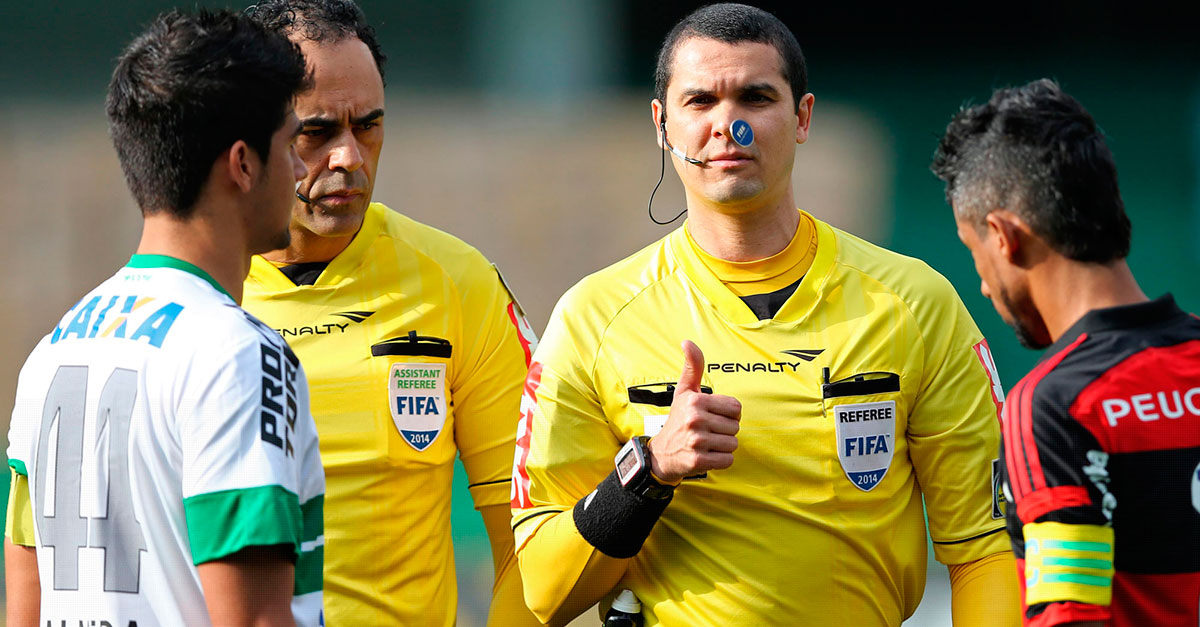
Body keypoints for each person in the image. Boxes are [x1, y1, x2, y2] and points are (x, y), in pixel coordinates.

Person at [510, 4, 1022, 626]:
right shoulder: (592, 318)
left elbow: (987, 550)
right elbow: (544, 589)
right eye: (700, 101)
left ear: (802, 117)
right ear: (662, 124)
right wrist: (650, 470)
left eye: (755, 98)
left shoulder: (915, 303)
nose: (728, 125)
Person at [3, 10, 324, 627]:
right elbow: (256, 619)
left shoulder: (49, 354)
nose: (304, 169)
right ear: (243, 164)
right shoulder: (240, 354)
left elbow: (24, 612)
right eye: (291, 145)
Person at [239, 2, 540, 625]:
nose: (349, 157)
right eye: (317, 132)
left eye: (369, 126)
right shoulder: (191, 299)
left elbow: (531, 542)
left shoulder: (458, 282)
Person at [932, 78, 1200, 626]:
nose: (982, 284)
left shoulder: (1055, 405)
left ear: (1003, 237)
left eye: (973, 250)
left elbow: (1070, 616)